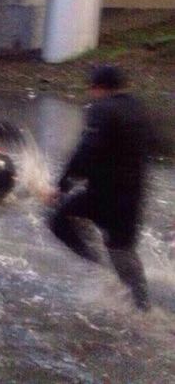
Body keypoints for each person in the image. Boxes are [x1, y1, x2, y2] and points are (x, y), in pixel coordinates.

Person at [44, 66, 151, 311]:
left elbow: (86, 150)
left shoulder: (102, 109)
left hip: (105, 193)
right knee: (123, 251)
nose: (91, 94)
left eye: (92, 89)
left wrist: (61, 186)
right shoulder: (139, 108)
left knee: (58, 220)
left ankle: (98, 264)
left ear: (99, 88)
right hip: (134, 195)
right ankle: (143, 307)